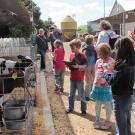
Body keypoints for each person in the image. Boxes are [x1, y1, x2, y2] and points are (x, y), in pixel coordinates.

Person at [110, 37, 135, 135]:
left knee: (121, 128)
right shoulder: (131, 63)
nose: (115, 50)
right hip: (129, 96)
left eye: (117, 48)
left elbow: (111, 80)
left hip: (119, 98)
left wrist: (105, 72)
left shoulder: (121, 65)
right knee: (127, 125)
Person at [90, 43, 115, 129]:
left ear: (106, 52)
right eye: (98, 53)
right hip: (97, 87)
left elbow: (112, 75)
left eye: (100, 53)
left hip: (106, 88)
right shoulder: (98, 61)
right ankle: (97, 120)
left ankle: (108, 122)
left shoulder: (112, 62)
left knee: (107, 105)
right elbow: (96, 71)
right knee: (98, 104)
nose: (99, 55)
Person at [66, 39, 87, 115]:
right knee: (71, 94)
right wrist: (69, 66)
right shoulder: (71, 55)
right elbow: (70, 64)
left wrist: (79, 66)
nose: (71, 49)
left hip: (79, 78)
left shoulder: (82, 55)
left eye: (73, 48)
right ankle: (70, 108)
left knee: (81, 94)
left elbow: (85, 66)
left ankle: (83, 109)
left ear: (78, 47)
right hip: (72, 77)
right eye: (71, 48)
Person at [82, 35, 97, 101]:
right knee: (90, 80)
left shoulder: (90, 47)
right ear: (91, 41)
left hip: (91, 64)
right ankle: (86, 95)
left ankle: (89, 94)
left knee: (90, 80)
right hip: (90, 65)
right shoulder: (88, 48)